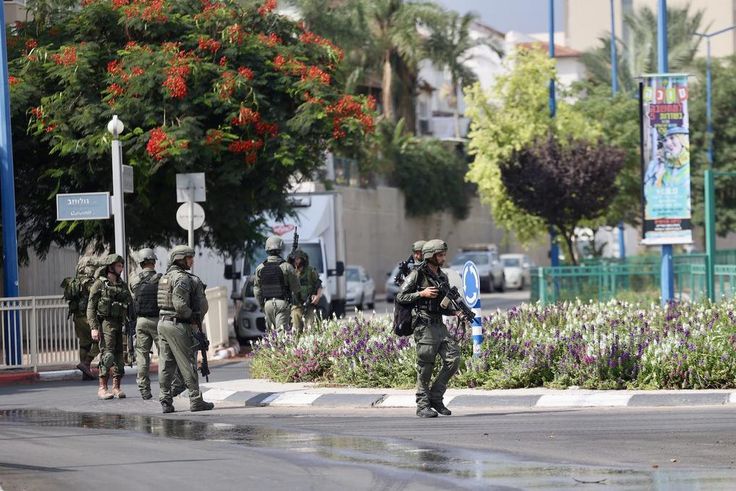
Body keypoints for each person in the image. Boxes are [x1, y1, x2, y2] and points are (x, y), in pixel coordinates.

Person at [396, 239, 462, 418]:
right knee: (426, 366)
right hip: (423, 326)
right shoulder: (417, 275)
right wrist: (421, 293)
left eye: (443, 254)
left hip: (439, 324)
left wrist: (455, 312)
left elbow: (442, 305)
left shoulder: (442, 276)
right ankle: (423, 405)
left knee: (453, 359)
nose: (443, 258)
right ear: (430, 256)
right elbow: (401, 296)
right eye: (440, 255)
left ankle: (436, 397)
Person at [157, 245, 214, 413]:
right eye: (189, 258)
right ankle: (196, 400)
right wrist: (193, 317)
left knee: (166, 364)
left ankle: (165, 400)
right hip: (178, 325)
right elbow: (180, 305)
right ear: (180, 259)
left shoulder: (165, 277)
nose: (192, 260)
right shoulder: (182, 278)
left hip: (163, 323)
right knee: (187, 363)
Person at [87, 254, 132, 400]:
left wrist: (132, 322)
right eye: (119, 265)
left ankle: (116, 387)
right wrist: (94, 327)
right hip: (106, 323)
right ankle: (102, 388)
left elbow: (130, 304)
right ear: (110, 267)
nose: (121, 268)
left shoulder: (122, 285)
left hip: (120, 323)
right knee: (107, 355)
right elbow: (91, 307)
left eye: (121, 265)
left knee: (120, 356)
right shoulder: (99, 284)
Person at [62, 255, 100, 380]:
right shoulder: (89, 282)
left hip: (77, 317)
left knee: (84, 344)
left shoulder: (75, 281)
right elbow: (96, 294)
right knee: (100, 340)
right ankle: (86, 363)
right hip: (88, 317)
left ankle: (86, 373)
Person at [253, 235, 300, 331]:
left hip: (267, 304)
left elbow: (257, 291)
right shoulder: (287, 267)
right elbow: (296, 288)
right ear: (281, 248)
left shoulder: (260, 268)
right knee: (281, 336)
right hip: (282, 303)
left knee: (271, 335)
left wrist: (262, 305)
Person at [290, 249, 323, 333]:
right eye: (294, 259)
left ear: (303, 259)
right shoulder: (291, 271)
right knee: (296, 331)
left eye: (298, 259)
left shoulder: (310, 271)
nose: (296, 261)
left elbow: (318, 285)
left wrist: (317, 296)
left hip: (309, 306)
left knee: (310, 329)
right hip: (296, 306)